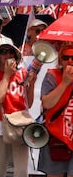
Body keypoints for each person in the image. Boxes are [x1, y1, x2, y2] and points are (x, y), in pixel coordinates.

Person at [0, 42, 37, 177]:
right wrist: (6, 75)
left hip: (20, 124)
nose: (7, 55)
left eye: (10, 52)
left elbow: (28, 103)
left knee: (22, 171)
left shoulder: (22, 73)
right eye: (3, 52)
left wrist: (32, 83)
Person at [38, 44, 73, 176]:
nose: (70, 61)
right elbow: (46, 103)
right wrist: (64, 83)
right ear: (60, 60)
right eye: (66, 58)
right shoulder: (52, 76)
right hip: (55, 135)